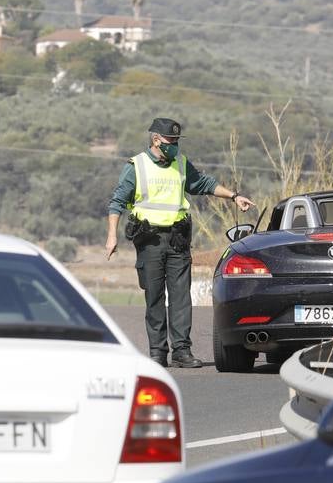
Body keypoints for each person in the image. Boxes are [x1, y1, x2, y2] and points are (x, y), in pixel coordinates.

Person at [106, 118, 254, 369]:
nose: (174, 145)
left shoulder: (181, 164)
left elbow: (204, 184)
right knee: (154, 297)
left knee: (181, 297)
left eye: (176, 141)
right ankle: (157, 352)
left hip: (177, 240)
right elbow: (117, 202)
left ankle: (182, 351)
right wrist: (112, 235)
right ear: (156, 140)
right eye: (170, 141)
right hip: (149, 241)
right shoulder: (136, 166)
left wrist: (234, 196)